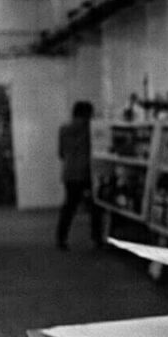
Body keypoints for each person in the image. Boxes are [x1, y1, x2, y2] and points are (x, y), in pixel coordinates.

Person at [56, 100, 103, 250]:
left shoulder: (63, 129)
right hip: (86, 172)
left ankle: (61, 238)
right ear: (87, 114)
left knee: (69, 207)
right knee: (95, 206)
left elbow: (60, 153)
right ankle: (96, 238)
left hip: (69, 172)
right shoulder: (89, 129)